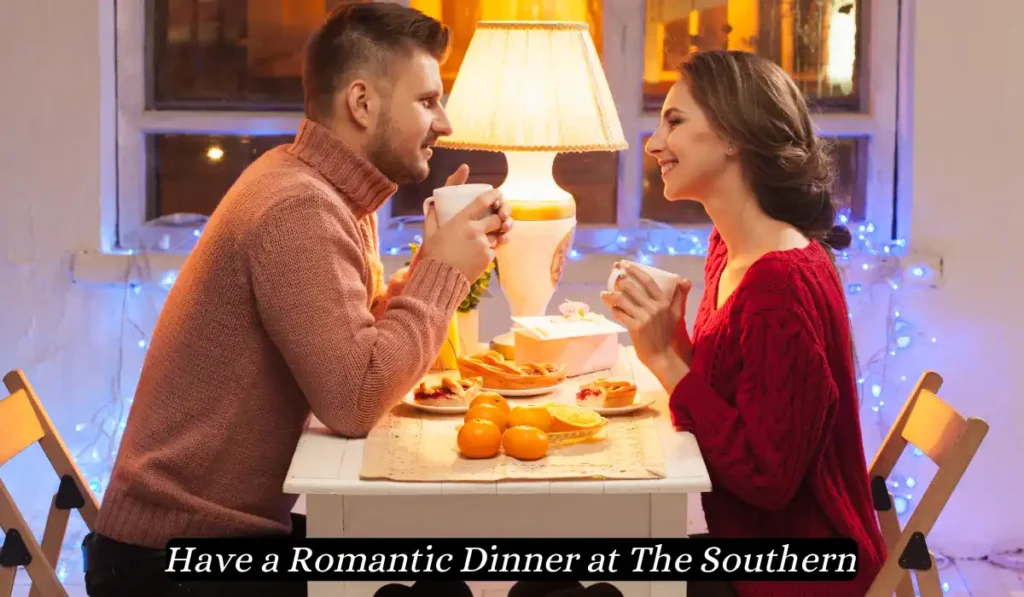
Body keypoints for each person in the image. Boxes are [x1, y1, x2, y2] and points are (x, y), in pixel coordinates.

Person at [82, 4, 510, 596]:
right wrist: (441, 274)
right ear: (361, 103)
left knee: (431, 570)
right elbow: (355, 400)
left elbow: (350, 349)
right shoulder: (299, 208)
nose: (445, 121)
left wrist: (429, 269)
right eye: (427, 100)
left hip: (203, 540)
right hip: (173, 562)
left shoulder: (320, 190)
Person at [600, 50, 888, 597]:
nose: (655, 142)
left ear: (733, 136)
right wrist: (672, 336)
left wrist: (663, 358)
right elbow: (738, 406)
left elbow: (767, 478)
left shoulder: (776, 286)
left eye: (675, 121)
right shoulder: (732, 250)